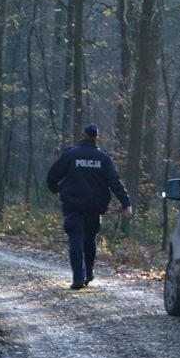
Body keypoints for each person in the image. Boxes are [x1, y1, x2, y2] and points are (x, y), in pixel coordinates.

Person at [46, 123, 133, 289]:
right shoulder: (104, 158)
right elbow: (115, 183)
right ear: (96, 137)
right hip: (95, 207)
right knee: (89, 240)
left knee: (76, 240)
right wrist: (125, 203)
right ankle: (88, 273)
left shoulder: (70, 155)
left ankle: (78, 277)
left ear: (82, 135)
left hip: (73, 206)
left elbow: (52, 175)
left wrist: (55, 189)